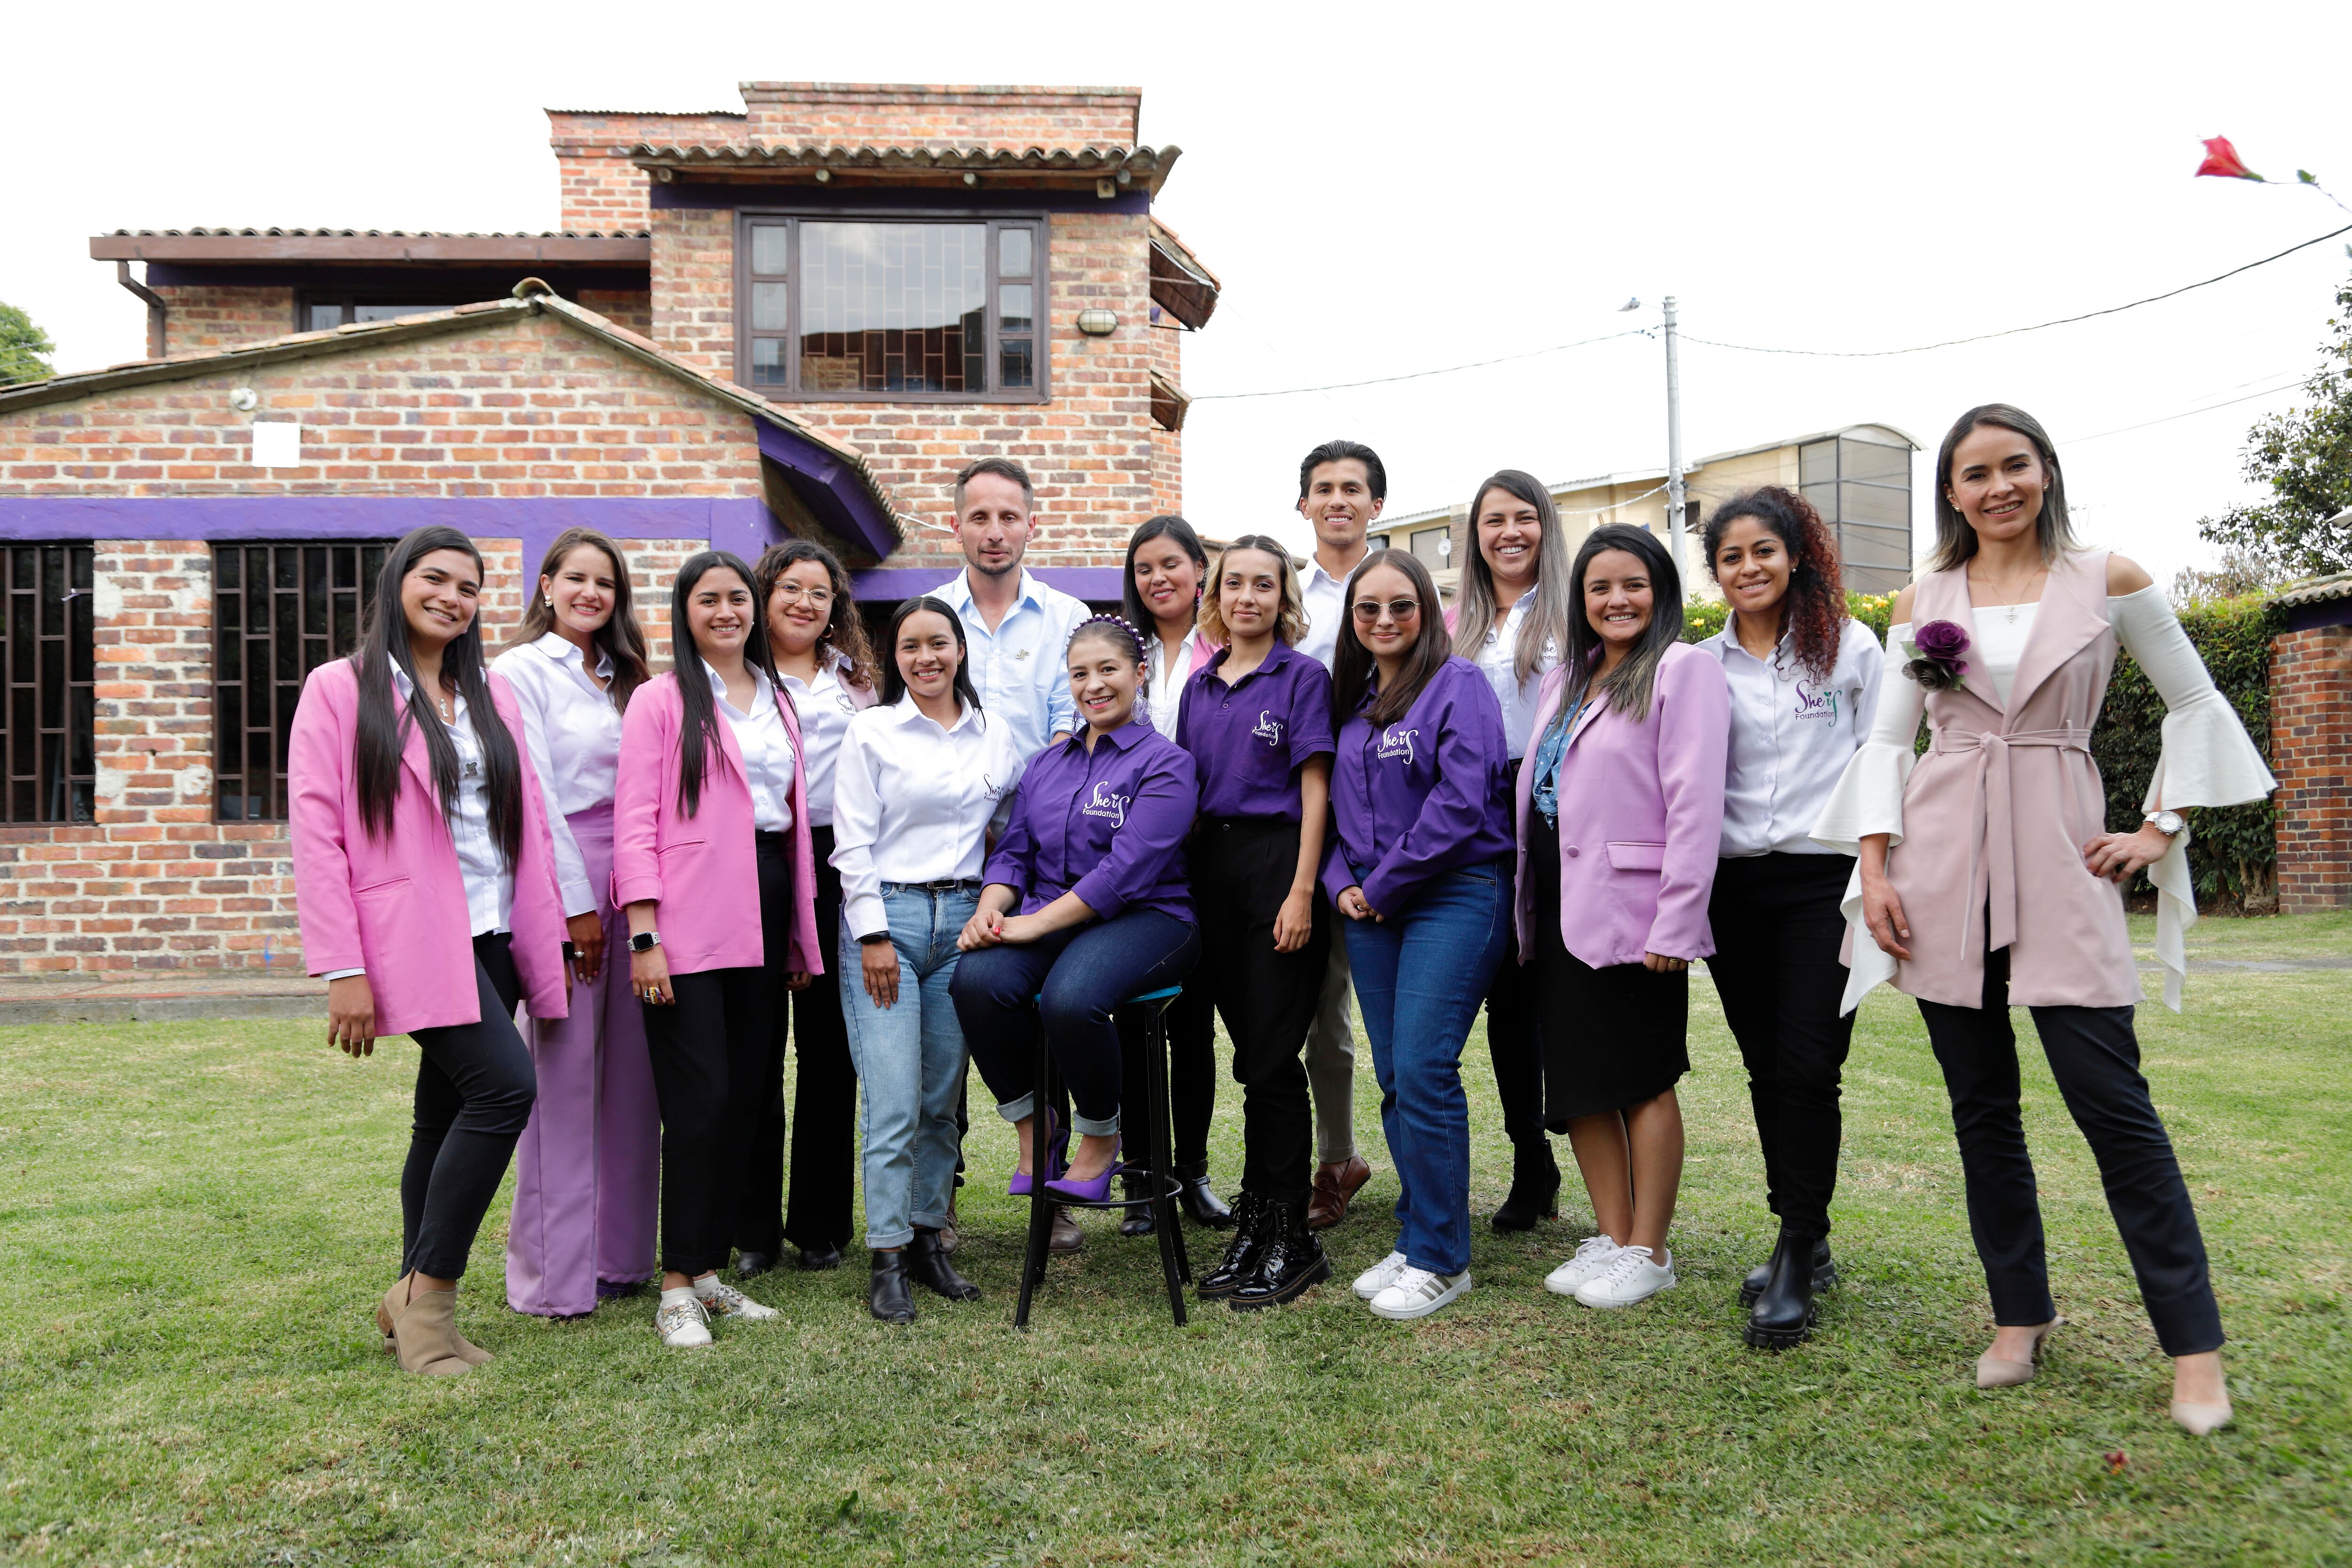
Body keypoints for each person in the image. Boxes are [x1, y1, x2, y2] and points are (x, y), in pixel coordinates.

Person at [1814, 404, 2273, 1435]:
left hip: (2064, 866)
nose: (1996, 487)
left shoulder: (2109, 578)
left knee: (2115, 1111)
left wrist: (2159, 829)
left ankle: (2193, 1349)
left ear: (2045, 470)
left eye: (2013, 466)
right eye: (1974, 473)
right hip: (1939, 870)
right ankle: (2018, 1314)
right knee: (1983, 1113)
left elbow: (2195, 705)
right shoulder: (1925, 597)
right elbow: (1889, 741)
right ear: (1951, 491)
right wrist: (1875, 870)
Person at [288, 525, 568, 1376]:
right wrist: (343, 966)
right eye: (435, 578)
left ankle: (412, 1301)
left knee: (442, 1113)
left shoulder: (492, 695)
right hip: (408, 933)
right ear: (397, 582)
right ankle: (430, 1298)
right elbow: (318, 832)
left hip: (495, 927)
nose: (452, 597)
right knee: (504, 1087)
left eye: (469, 587)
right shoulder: (340, 689)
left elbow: (522, 824)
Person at [613, 550, 823, 1348]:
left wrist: (800, 933)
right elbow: (635, 821)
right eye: (710, 600)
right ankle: (675, 1285)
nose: (728, 612)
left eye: (739, 598)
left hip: (767, 903)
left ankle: (707, 1273)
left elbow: (794, 825)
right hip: (687, 918)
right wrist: (644, 933)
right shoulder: (660, 702)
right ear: (685, 609)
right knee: (695, 1103)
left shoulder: (779, 698)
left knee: (746, 1096)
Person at [1518, 524, 1728, 1312]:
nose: (1617, 599)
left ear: (1661, 591)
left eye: (1633, 584)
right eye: (1600, 587)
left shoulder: (1683, 669)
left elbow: (1696, 804)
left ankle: (1651, 1247)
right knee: (1579, 1087)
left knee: (1640, 1078)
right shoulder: (1566, 678)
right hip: (1561, 908)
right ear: (1580, 599)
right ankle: (1613, 1235)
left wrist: (1678, 923)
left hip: (1635, 916)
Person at [1693, 487, 1883, 1347]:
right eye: (1731, 556)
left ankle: (1798, 1247)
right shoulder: (1700, 666)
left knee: (1810, 1064)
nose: (1748, 568)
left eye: (1763, 551)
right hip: (1733, 888)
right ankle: (1804, 1227)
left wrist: (1881, 875)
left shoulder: (1850, 650)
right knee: (1767, 1067)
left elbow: (1883, 765)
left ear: (1797, 554)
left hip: (1823, 882)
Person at [950, 615, 1202, 1224]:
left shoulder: (1166, 763)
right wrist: (992, 909)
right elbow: (1013, 851)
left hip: (1151, 917)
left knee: (1070, 997)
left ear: (1139, 674)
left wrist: (1034, 926)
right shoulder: (1047, 764)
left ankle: (1100, 1136)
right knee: (976, 982)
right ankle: (1039, 1129)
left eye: (1108, 669)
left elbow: (1126, 872)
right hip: (1052, 916)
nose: (1094, 685)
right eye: (1079, 673)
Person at [1326, 549, 1515, 1322]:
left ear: (1428, 611)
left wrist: (1383, 884)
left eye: (1401, 605)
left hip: (1454, 893)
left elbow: (1462, 800)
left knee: (1426, 1066)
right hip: (1372, 907)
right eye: (1368, 608)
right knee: (1399, 1077)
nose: (1384, 620)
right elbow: (1336, 810)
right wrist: (1342, 883)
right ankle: (1416, 1236)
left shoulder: (1459, 684)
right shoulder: (1354, 698)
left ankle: (1443, 1258)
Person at [833, 597, 1024, 1321]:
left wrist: (995, 905)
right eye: (910, 646)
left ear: (960, 649)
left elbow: (1010, 830)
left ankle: (926, 1238)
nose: (926, 657)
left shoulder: (995, 735)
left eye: (938, 643)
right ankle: (885, 1255)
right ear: (895, 657)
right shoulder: (873, 731)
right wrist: (873, 933)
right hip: (891, 920)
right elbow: (851, 841)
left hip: (966, 927)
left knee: (942, 1100)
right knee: (893, 1098)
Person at [930, 454, 1092, 1254]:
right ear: (955, 523)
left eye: (1009, 517)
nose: (995, 532)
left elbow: (1073, 735)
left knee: (1035, 1010)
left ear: (1033, 521)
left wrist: (1024, 837)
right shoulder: (931, 614)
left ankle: (1055, 1188)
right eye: (979, 517)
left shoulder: (1066, 618)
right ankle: (941, 1191)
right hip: (947, 854)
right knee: (946, 1031)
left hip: (1040, 856)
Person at [496, 527, 660, 1318]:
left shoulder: (626, 678)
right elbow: (530, 791)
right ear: (549, 584)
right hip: (564, 876)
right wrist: (574, 905)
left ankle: (623, 1257)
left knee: (633, 1079)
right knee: (562, 1076)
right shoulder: (520, 672)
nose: (592, 594)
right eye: (578, 579)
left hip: (636, 876)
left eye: (607, 583)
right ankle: (554, 1278)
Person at [1176, 536, 1339, 1309]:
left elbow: (1316, 790)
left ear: (1283, 597)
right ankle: (1257, 1229)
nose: (1247, 596)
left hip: (1279, 867)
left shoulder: (1303, 677)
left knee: (1273, 1059)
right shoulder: (1201, 685)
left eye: (1263, 584)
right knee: (1247, 1056)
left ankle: (1293, 1238)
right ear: (1217, 594)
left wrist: (1303, 890)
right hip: (1211, 873)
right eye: (1234, 583)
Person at [748, 539, 878, 1276]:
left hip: (836, 859)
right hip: (759, 859)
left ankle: (820, 1224)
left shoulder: (854, 681)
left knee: (830, 1050)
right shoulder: (738, 673)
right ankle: (754, 1229)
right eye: (791, 588)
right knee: (758, 1050)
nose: (805, 602)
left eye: (820, 593)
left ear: (836, 608)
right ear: (765, 594)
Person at [1446, 470, 1572, 1233]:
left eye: (1525, 518)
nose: (1510, 533)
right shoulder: (1453, 618)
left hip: (1554, 802)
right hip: (1474, 805)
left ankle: (1567, 1145)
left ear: (1544, 527)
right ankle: (1531, 1156)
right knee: (1500, 991)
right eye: (1495, 520)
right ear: (1477, 534)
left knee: (1545, 988)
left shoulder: (1569, 610)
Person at [1119, 513, 1230, 1233]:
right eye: (1144, 569)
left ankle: (1191, 1172)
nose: (1158, 579)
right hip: (1129, 860)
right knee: (1132, 1024)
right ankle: (1140, 1178)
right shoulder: (1117, 647)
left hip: (1204, 858)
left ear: (1199, 571)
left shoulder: (1225, 648)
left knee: (1193, 1026)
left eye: (1171, 565)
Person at [1292, 439, 1389, 1229]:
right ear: (1304, 506)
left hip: (1383, 816)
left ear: (1376, 505)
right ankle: (1337, 1157)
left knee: (1393, 1004)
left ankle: (1422, 1160)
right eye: (1324, 488)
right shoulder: (1288, 599)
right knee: (1323, 1004)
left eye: (1353, 488)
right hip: (1303, 819)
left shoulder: (1400, 591)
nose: (1338, 500)